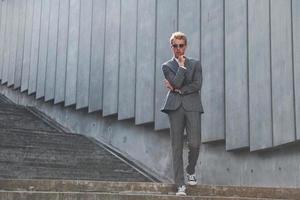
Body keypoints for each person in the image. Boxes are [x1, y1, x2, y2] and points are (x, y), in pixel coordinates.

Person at [161, 32, 204, 196]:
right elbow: (177, 80)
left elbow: (197, 85)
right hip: (175, 107)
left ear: (185, 46)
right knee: (176, 146)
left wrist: (178, 89)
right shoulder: (166, 66)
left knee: (194, 143)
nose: (178, 49)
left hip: (193, 106)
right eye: (175, 46)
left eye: (181, 45)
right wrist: (181, 67)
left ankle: (190, 169)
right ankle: (180, 185)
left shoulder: (196, 64)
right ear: (171, 47)